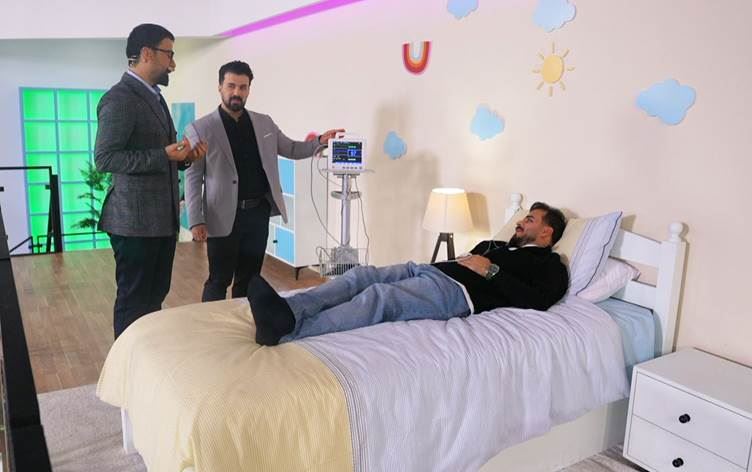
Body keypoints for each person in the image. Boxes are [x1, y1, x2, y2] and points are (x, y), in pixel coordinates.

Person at [248, 202, 570, 346]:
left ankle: (288, 332)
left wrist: (491, 270)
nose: (520, 222)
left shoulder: (549, 264)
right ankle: (289, 309)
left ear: (547, 233)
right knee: (361, 276)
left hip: (456, 294)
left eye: (529, 219)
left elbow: (539, 300)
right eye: (523, 217)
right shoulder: (495, 244)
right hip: (428, 270)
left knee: (379, 297)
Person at [184, 60, 343, 302]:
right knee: (218, 279)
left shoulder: (264, 123)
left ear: (249, 89)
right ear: (220, 87)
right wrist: (196, 219)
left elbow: (291, 148)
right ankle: (211, 324)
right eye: (231, 86)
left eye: (243, 87)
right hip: (221, 216)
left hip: (257, 214)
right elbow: (193, 177)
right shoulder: (201, 128)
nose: (237, 92)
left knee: (250, 279)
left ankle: (244, 319)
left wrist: (320, 141)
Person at [95, 23, 207, 338]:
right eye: (169, 54)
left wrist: (185, 158)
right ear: (147, 53)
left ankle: (145, 357)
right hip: (134, 224)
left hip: (159, 222)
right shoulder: (120, 99)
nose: (173, 63)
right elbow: (105, 159)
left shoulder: (154, 97)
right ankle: (125, 363)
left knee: (153, 298)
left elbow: (162, 155)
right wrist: (162, 155)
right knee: (134, 302)